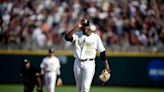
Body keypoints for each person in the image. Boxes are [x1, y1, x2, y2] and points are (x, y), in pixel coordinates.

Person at [64, 19, 111, 92]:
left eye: (86, 26)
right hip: (78, 63)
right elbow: (67, 37)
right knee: (79, 89)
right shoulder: (77, 35)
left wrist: (106, 65)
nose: (85, 28)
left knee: (85, 88)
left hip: (89, 63)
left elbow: (102, 52)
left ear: (90, 27)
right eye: (83, 26)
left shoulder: (95, 37)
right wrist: (76, 28)